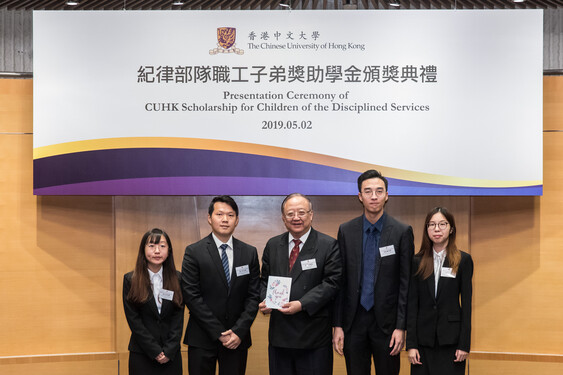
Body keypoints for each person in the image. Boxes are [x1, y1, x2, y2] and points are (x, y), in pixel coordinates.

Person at [333, 169, 414, 375]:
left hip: (387, 326)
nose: (374, 196)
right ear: (360, 196)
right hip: (353, 322)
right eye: (368, 191)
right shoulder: (346, 230)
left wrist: (401, 327)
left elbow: (406, 284)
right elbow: (340, 282)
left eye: (379, 191)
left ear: (387, 195)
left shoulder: (402, 231)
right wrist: (338, 325)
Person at [259, 193, 342, 375]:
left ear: (311, 215)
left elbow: (332, 283)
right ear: (283, 217)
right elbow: (264, 279)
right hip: (280, 336)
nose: (296, 218)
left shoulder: (328, 245)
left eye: (301, 212)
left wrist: (302, 304)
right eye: (290, 214)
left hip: (313, 337)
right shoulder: (273, 245)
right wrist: (266, 299)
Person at [182, 195, 260, 375]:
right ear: (209, 218)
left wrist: (238, 331)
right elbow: (191, 296)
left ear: (237, 220)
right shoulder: (194, 252)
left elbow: (253, 295)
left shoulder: (249, 253)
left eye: (230, 215)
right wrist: (219, 332)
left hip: (237, 339)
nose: (225, 219)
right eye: (219, 214)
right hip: (202, 337)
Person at [406, 207, 473, 375]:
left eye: (442, 224)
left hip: (451, 342)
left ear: (451, 229)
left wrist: (464, 345)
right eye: (432, 224)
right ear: (426, 229)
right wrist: (411, 344)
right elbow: (412, 305)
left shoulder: (463, 260)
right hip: (422, 342)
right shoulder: (417, 261)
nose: (437, 229)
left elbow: (466, 305)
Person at [123, 228, 184, 375]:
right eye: (151, 246)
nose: (157, 251)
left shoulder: (178, 278)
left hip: (171, 355)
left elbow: (178, 317)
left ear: (169, 250)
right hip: (142, 353)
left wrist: (169, 350)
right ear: (143, 249)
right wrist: (155, 351)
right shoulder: (130, 279)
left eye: (162, 246)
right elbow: (133, 320)